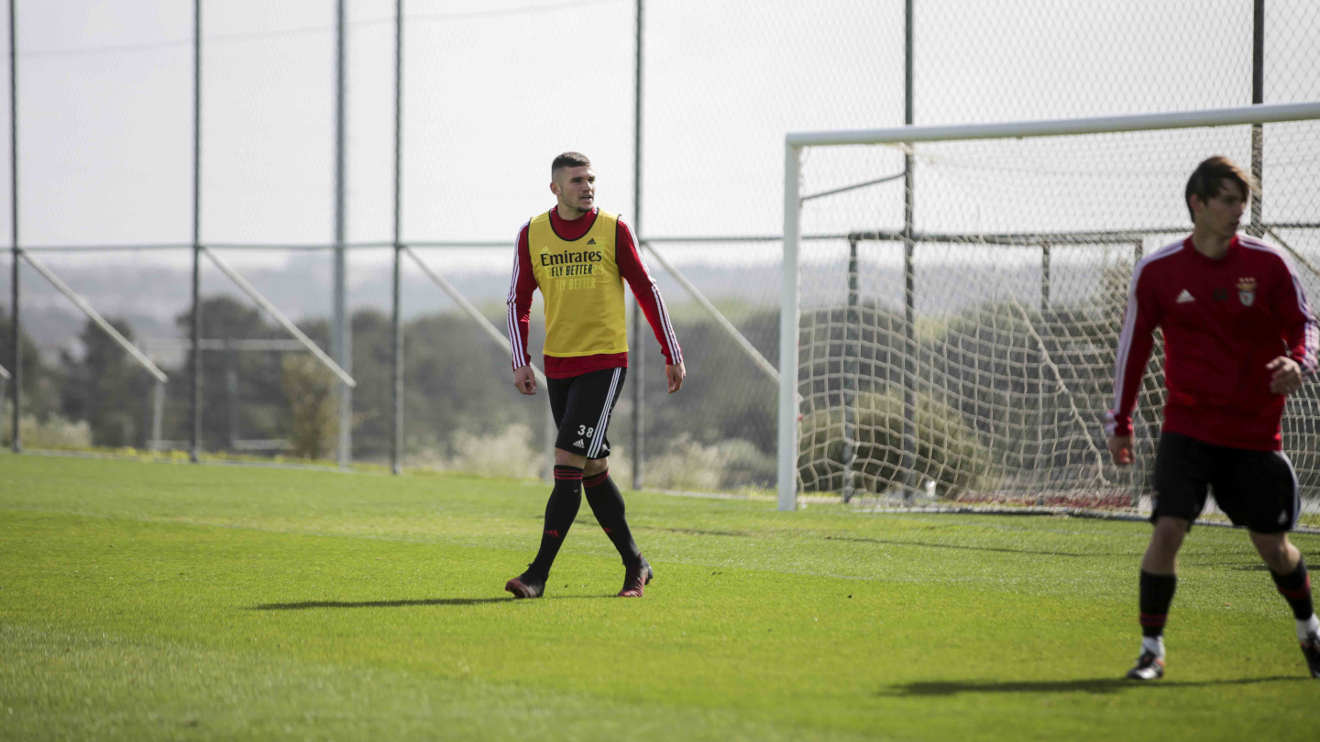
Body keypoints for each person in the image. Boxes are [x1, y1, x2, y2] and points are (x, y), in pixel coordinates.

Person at [1106, 155, 1320, 680]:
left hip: (1253, 431)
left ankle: (1310, 630)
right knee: (1167, 530)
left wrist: (1299, 361)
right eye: (1226, 199)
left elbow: (1305, 325)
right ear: (1197, 204)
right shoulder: (1158, 271)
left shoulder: (1269, 265)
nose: (1238, 209)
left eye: (1241, 200)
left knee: (1273, 548)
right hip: (1188, 427)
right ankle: (1151, 650)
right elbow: (1133, 348)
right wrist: (1120, 421)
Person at [504, 151, 685, 599]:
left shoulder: (613, 229)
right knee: (592, 469)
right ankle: (636, 564)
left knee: (567, 460)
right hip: (558, 365)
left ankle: (537, 575)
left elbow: (646, 289)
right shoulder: (532, 234)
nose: (587, 187)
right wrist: (520, 360)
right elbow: (518, 300)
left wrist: (671, 350)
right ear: (555, 188)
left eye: (590, 180)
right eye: (577, 180)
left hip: (604, 363)